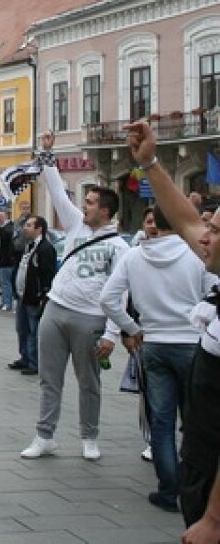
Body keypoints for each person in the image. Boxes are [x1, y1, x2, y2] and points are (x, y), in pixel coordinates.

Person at [126, 123, 220, 542]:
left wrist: (213, 520)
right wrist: (149, 163)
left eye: (214, 231)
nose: (203, 236)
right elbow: (184, 220)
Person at [20, 130, 129, 462]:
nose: (85, 206)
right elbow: (56, 192)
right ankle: (45, 435)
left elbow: (119, 294)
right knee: (48, 378)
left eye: (92, 203)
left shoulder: (120, 247)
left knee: (89, 381)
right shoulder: (76, 226)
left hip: (90, 318)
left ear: (106, 211)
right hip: (57, 309)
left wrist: (112, 333)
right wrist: (47, 154)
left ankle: (89, 437)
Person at [101, 205, 218, 513]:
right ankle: (198, 488)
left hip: (153, 343)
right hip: (194, 344)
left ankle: (169, 490)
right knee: (195, 422)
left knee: (161, 422)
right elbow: (213, 293)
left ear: (154, 224)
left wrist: (131, 328)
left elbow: (108, 299)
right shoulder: (195, 255)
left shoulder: (133, 256)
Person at [10, 215, 56, 375]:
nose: (25, 228)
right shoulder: (28, 246)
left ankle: (34, 362)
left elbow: (47, 274)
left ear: (39, 229)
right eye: (26, 225)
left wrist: (43, 294)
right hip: (22, 296)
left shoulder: (45, 248)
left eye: (29, 225)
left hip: (34, 297)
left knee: (33, 331)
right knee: (21, 329)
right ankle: (24, 357)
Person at [0, 210, 18, 312]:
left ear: (7, 216)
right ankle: (3, 302)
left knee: (6, 282)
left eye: (1, 216)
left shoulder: (9, 227)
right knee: (0, 282)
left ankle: (7, 303)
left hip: (6, 260)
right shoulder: (0, 229)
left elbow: (6, 237)